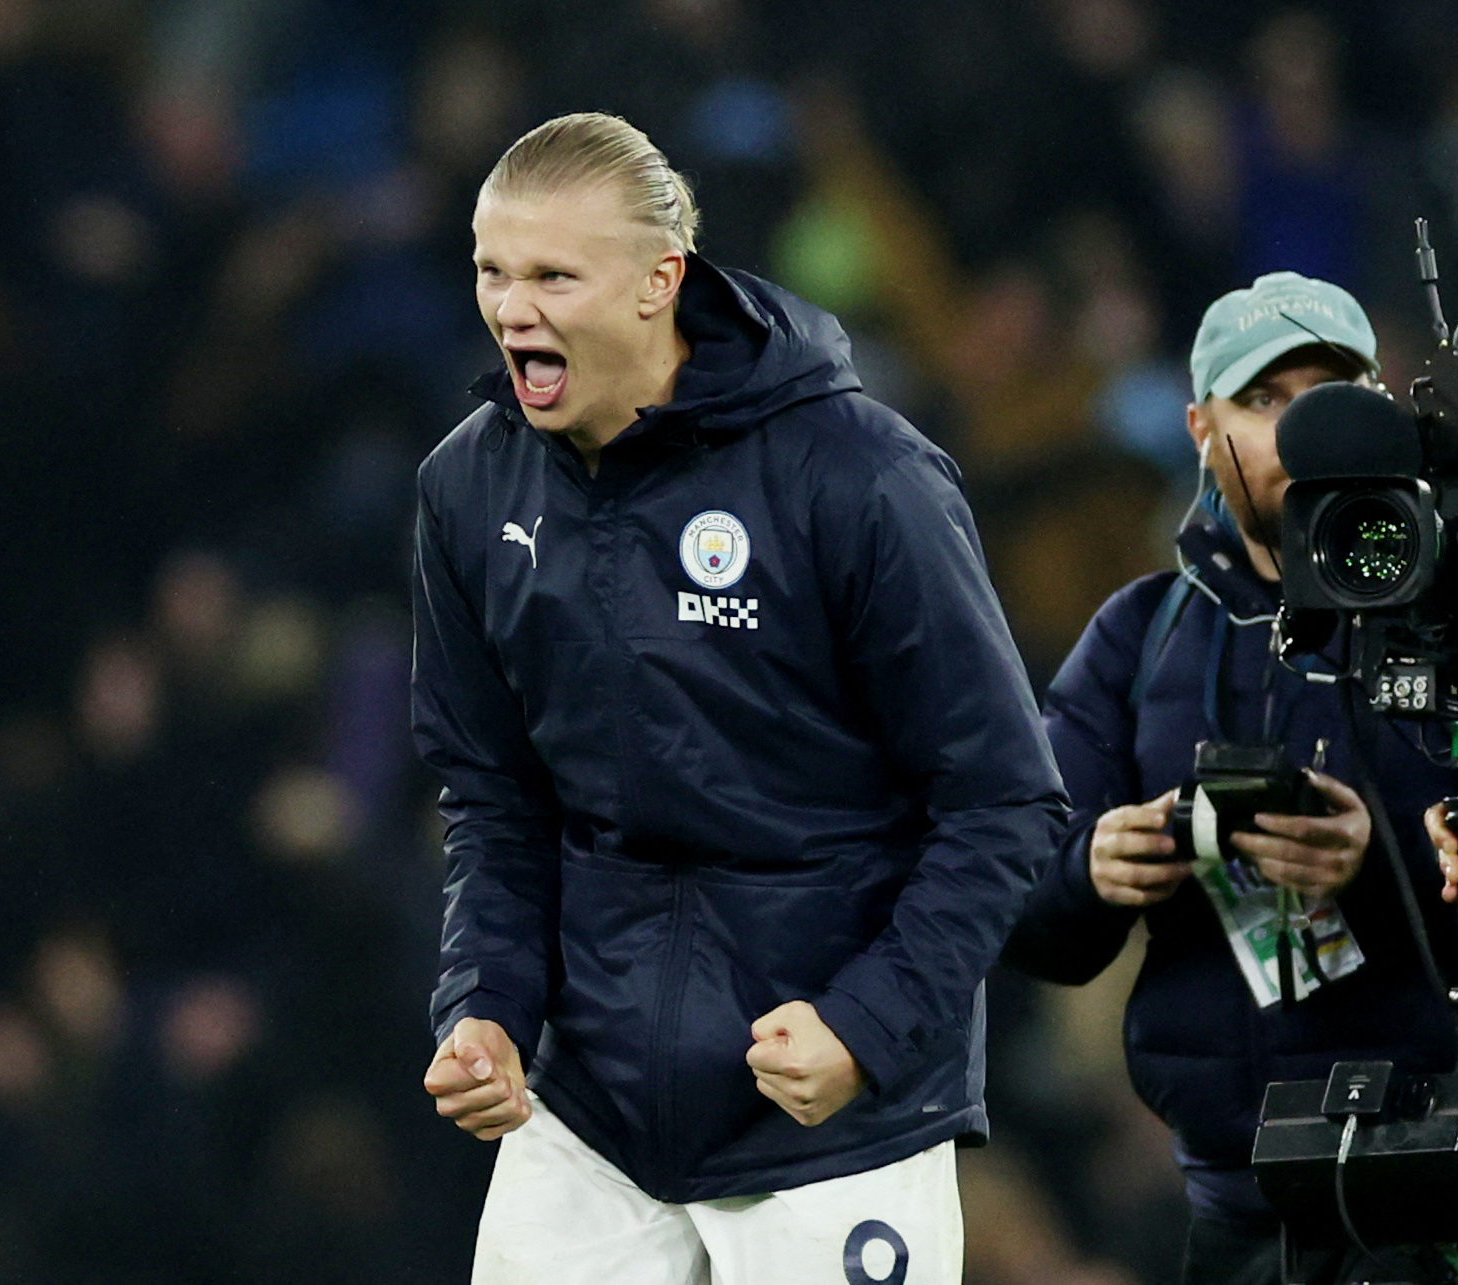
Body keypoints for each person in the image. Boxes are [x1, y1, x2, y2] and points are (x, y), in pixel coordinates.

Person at [409, 111, 1068, 1284]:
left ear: (661, 280)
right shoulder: (467, 485)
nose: (513, 309)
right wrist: (486, 1002)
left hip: (828, 1117)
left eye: (553, 275)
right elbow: (494, 800)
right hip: (587, 1111)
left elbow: (1003, 803)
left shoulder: (860, 477)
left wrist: (865, 1027)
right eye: (491, 271)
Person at [1001, 271, 1458, 1284]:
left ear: (1380, 405)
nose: (1297, 431)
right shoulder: (1138, 640)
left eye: (1325, 396)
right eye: (1261, 402)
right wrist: (1090, 866)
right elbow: (1016, 899)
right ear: (1196, 428)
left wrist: (1390, 855)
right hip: (1240, 1196)